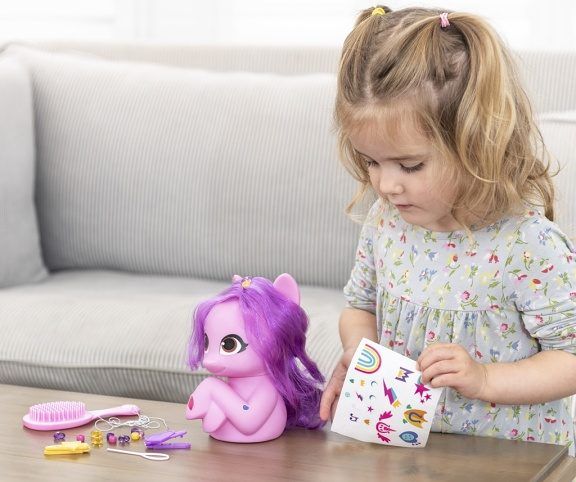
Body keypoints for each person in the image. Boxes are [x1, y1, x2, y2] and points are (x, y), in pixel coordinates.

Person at [319, 5, 576, 453]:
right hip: (404, 452)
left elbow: (569, 360)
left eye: (410, 165)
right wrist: (361, 353)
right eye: (371, 161)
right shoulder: (386, 220)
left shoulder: (528, 245)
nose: (386, 185)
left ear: (476, 143)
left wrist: (484, 379)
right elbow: (359, 307)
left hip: (511, 461)